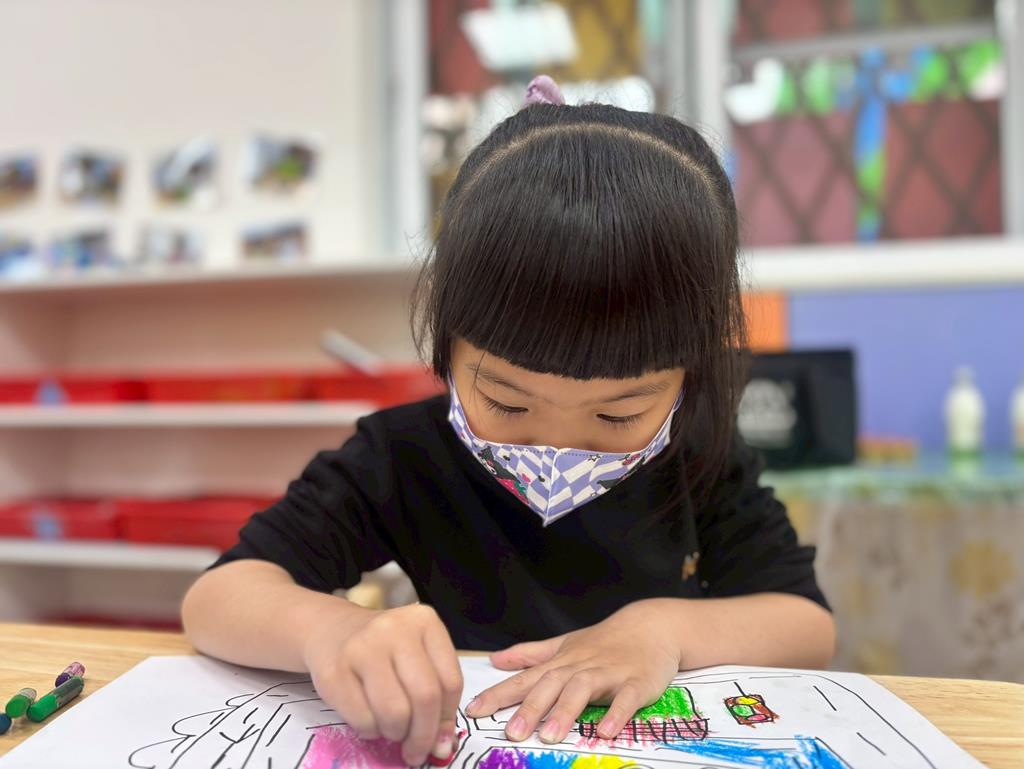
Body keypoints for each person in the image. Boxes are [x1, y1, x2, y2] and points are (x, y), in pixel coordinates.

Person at [182, 76, 834, 767]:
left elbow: (807, 626)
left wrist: (662, 630)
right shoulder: (403, 456)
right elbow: (217, 597)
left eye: (619, 412)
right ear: (446, 342)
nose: (557, 444)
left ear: (690, 374)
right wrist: (330, 629)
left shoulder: (698, 453)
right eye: (508, 403)